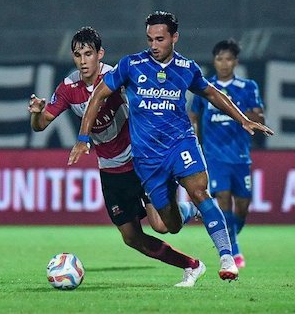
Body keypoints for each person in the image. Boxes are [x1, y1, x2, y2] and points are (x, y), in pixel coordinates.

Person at [68, 11, 274, 282]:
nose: (154, 45)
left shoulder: (187, 69)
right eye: (150, 39)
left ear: (174, 37)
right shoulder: (132, 65)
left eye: (160, 39)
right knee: (169, 226)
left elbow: (211, 92)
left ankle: (227, 257)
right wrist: (83, 138)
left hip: (181, 143)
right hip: (148, 159)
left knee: (200, 190)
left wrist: (243, 120)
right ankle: (188, 211)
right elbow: (98, 96)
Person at [29, 26, 205, 288]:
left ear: (100, 54)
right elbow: (40, 125)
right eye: (77, 55)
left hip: (140, 160)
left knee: (162, 225)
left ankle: (187, 208)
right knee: (131, 237)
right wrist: (36, 112)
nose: (83, 60)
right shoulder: (68, 88)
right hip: (111, 169)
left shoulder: (117, 76)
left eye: (88, 54)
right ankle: (192, 266)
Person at [188, 39, 264, 270]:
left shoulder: (248, 87)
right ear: (214, 61)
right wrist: (195, 141)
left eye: (228, 58)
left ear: (236, 62)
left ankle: (230, 237)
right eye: (219, 58)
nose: (223, 63)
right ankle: (233, 252)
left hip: (240, 156)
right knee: (223, 199)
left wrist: (254, 117)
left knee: (242, 205)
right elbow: (194, 116)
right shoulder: (205, 87)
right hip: (214, 155)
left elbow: (258, 117)